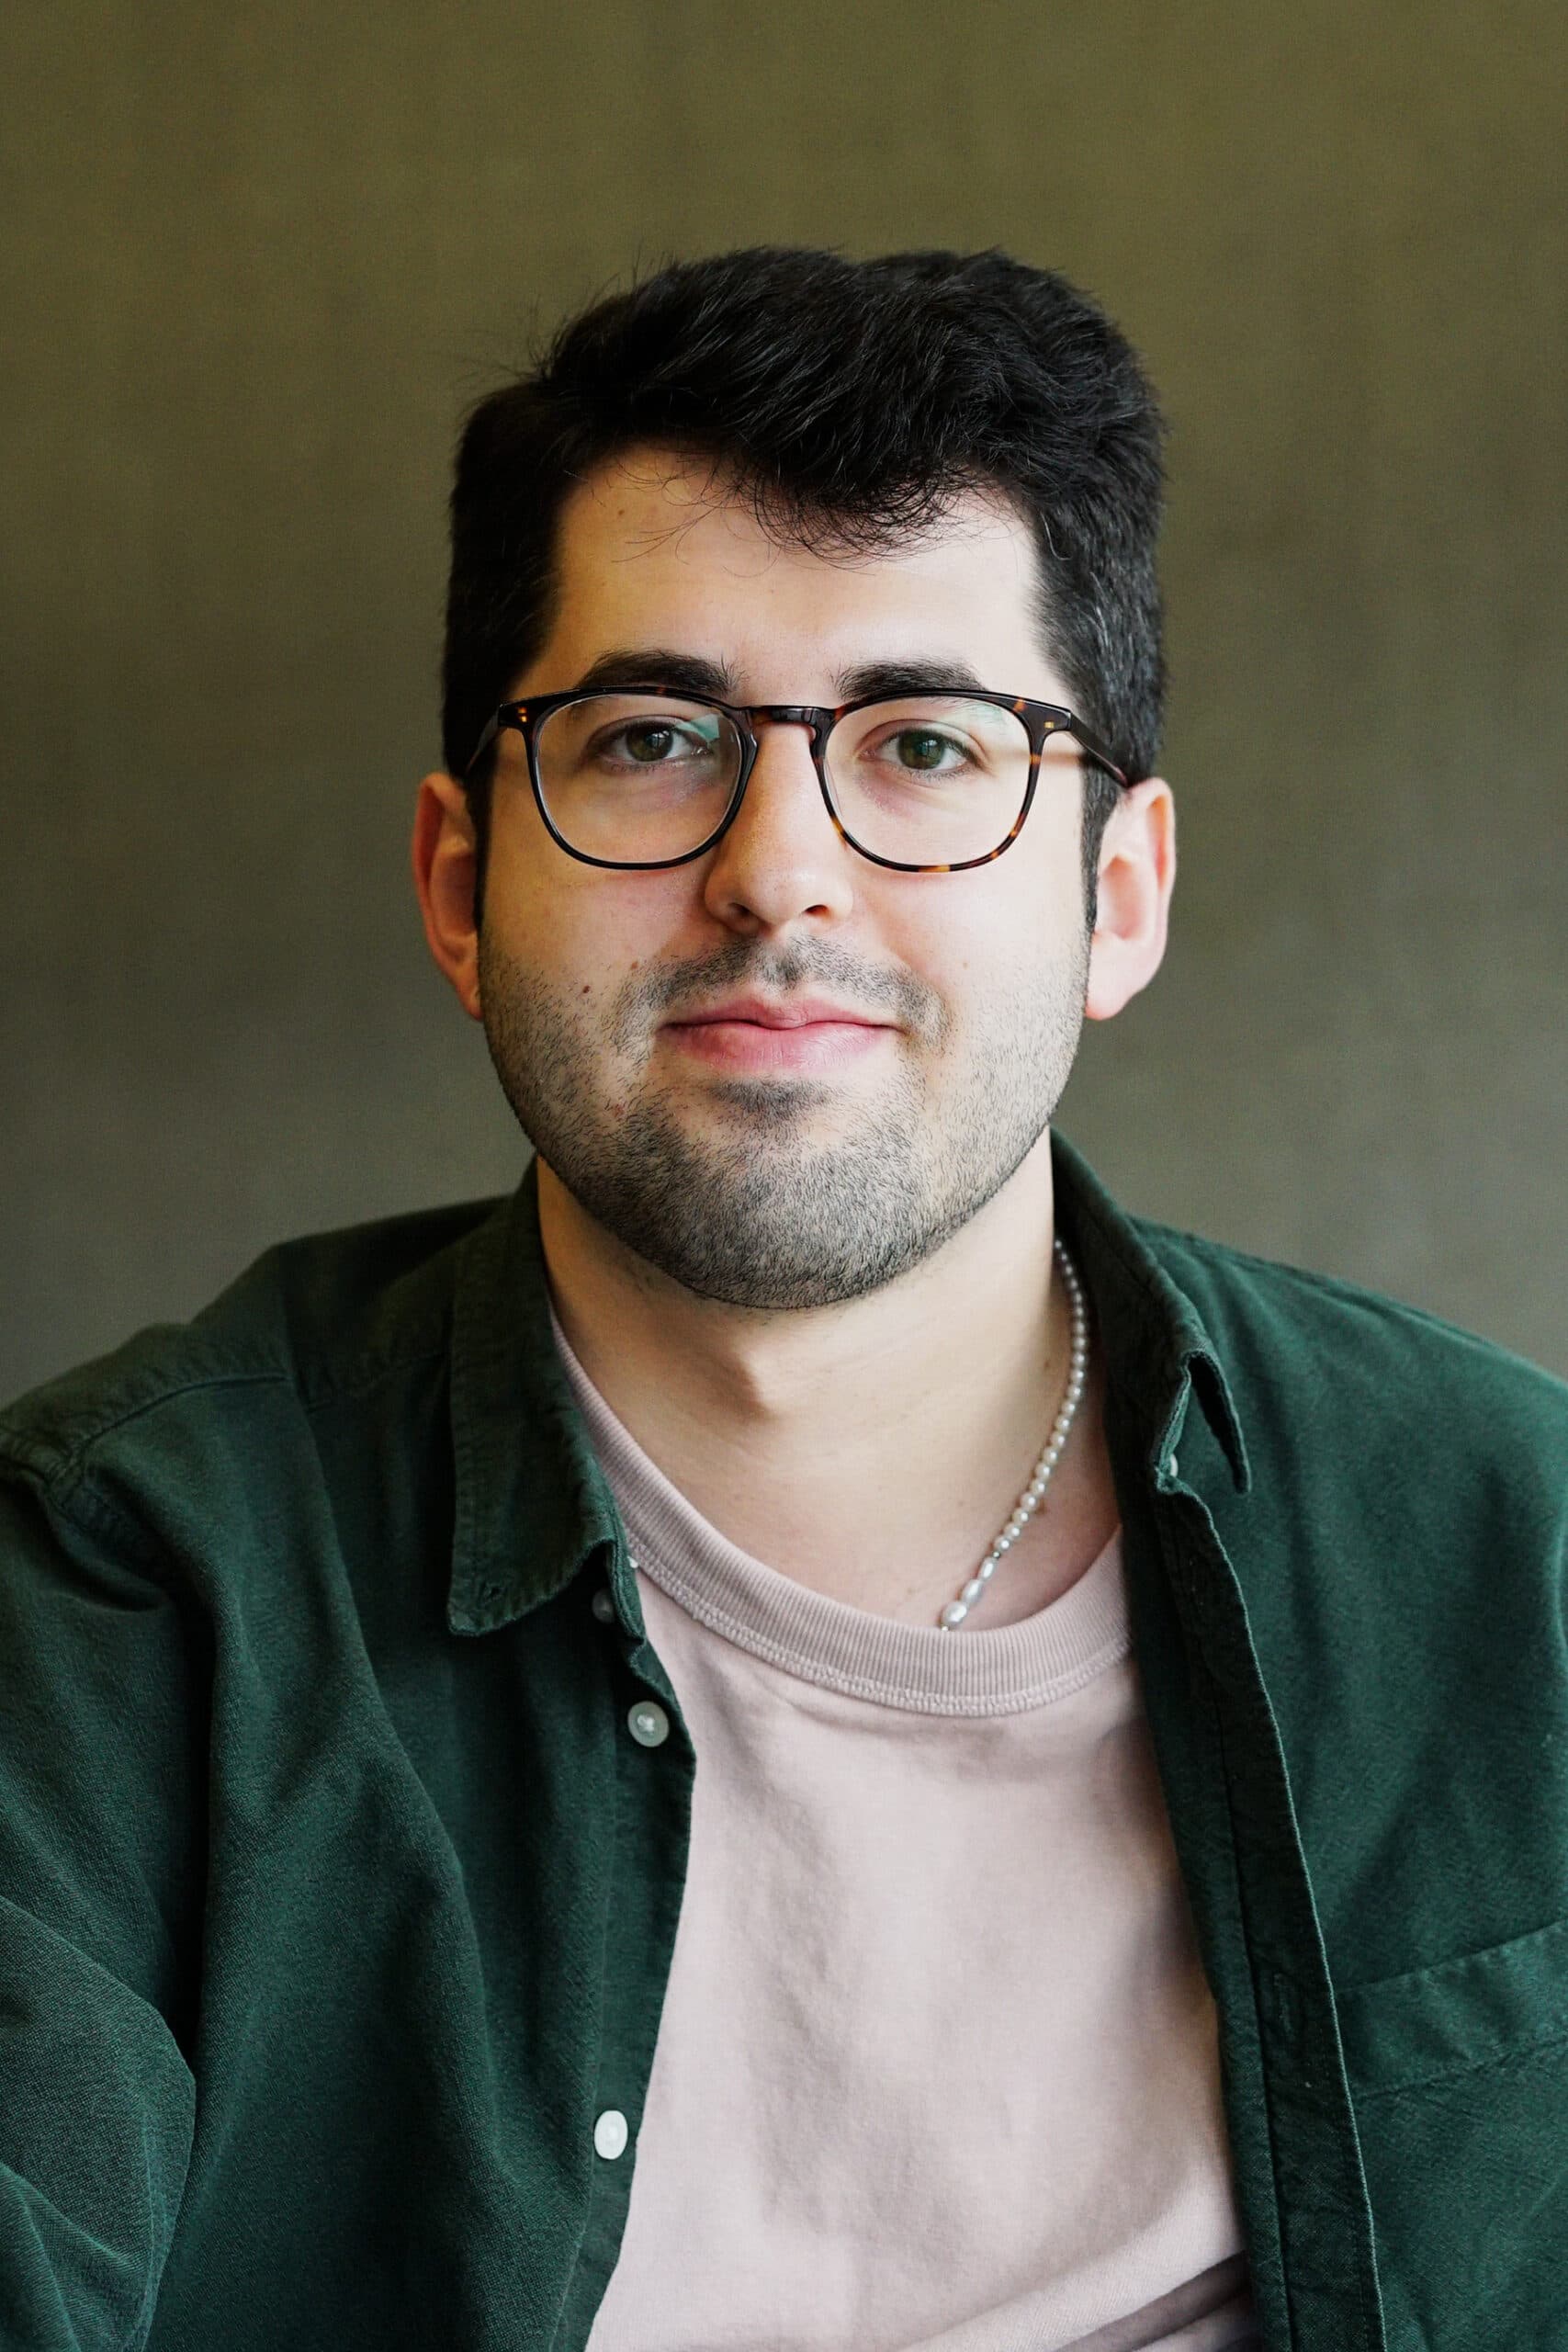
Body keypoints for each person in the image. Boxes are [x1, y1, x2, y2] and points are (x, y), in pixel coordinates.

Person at [1, 246, 1562, 2352]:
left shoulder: (1516, 1552)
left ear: (1113, 894)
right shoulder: (114, 1594)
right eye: (651, 738)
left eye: (924, 743)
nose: (777, 871)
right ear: (461, 886)